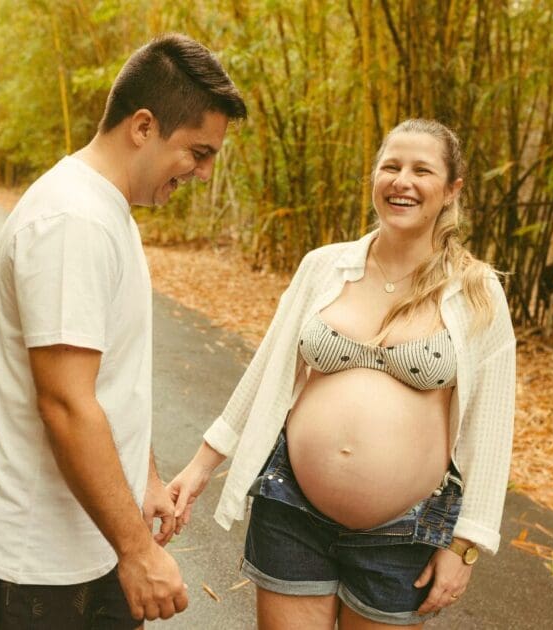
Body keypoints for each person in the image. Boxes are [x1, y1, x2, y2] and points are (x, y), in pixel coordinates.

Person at [0, 33, 246, 629]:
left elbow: (109, 380)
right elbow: (65, 402)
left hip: (91, 539)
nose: (205, 173)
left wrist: (147, 476)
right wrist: (138, 550)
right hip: (43, 560)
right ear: (142, 127)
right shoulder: (72, 221)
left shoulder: (107, 210)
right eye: (198, 151)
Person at [169, 119, 515, 628]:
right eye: (391, 166)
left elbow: (492, 426)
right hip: (293, 512)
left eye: (422, 170)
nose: (403, 181)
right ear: (374, 176)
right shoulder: (324, 267)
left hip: (404, 535)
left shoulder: (477, 291)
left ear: (451, 190)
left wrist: (465, 545)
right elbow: (267, 371)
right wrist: (201, 466)